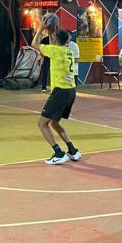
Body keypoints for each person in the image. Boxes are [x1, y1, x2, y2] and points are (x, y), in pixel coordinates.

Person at [32, 22, 81, 165]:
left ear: (56, 40)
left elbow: (34, 44)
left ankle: (59, 153)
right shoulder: (69, 50)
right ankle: (73, 150)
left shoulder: (55, 51)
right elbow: (55, 43)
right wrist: (51, 32)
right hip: (71, 91)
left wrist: (41, 28)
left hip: (60, 92)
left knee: (42, 124)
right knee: (54, 122)